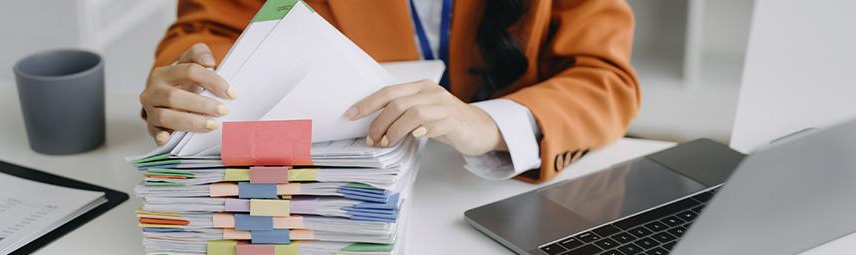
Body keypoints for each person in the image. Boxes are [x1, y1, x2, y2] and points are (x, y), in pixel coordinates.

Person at [139, 0, 639, 183]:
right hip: (333, 194)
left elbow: (604, 78)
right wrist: (190, 85)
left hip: (492, 194)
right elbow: (210, 33)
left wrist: (490, 123)